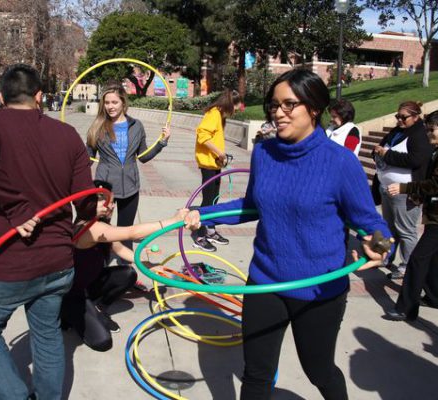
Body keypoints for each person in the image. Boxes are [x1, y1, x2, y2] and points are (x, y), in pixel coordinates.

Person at [184, 69, 391, 400]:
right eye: (273, 105)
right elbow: (252, 206)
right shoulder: (265, 154)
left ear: (314, 107)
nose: (277, 113)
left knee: (318, 369)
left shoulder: (340, 163)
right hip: (266, 280)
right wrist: (201, 213)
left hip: (319, 289)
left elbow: (371, 223)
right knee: (256, 373)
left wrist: (379, 245)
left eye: (288, 104)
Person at [0, 64, 106, 400]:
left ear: (0, 97)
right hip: (58, 263)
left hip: (13, 263)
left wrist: (15, 207)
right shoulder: (66, 134)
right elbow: (84, 198)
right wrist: (93, 209)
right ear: (40, 97)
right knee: (47, 333)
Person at [61, 181, 188, 350]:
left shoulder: (102, 225)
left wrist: (148, 266)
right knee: (103, 342)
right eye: (103, 201)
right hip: (73, 294)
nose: (110, 205)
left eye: (112, 201)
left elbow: (120, 249)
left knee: (128, 273)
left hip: (91, 284)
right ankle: (69, 315)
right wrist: (173, 221)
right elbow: (132, 232)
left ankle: (98, 307)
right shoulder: (89, 227)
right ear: (88, 203)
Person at [86, 82, 170, 251]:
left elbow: (144, 156)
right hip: (105, 187)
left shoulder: (136, 126)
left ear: (123, 103)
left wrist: (162, 142)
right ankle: (99, 265)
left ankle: (126, 269)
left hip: (131, 186)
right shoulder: (97, 127)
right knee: (102, 232)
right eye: (107, 103)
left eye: (114, 102)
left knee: (127, 231)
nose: (110, 107)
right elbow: (87, 159)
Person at [385, 110, 438, 320]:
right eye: (427, 129)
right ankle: (434, 297)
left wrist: (405, 188)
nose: (428, 134)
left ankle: (406, 307)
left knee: (417, 259)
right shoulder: (435, 151)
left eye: (432, 129)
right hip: (433, 215)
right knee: (433, 259)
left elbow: (435, 184)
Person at [373, 101, 433, 279]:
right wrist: (378, 152)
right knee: (388, 226)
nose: (399, 120)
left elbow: (416, 160)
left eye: (403, 117)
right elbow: (381, 147)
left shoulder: (420, 135)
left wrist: (386, 155)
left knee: (405, 230)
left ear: (416, 117)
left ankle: (407, 265)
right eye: (397, 116)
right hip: (386, 188)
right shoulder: (397, 131)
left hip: (406, 192)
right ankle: (385, 255)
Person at [192, 89, 243, 252]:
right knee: (208, 200)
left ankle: (210, 231)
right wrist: (220, 153)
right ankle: (200, 236)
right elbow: (203, 136)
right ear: (230, 103)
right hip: (208, 164)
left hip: (214, 164)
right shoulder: (214, 114)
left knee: (213, 199)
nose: (236, 110)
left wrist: (221, 156)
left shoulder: (219, 116)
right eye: (236, 106)